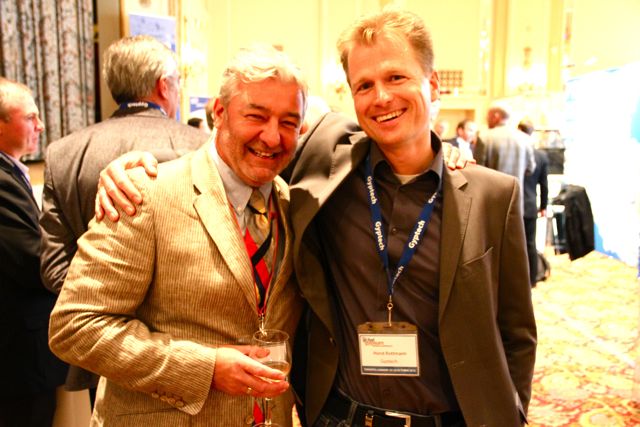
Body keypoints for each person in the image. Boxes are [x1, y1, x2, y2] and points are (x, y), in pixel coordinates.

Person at [95, 10, 535, 426]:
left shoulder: (491, 196)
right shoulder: (327, 162)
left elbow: (516, 333)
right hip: (340, 416)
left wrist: (510, 411)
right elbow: (242, 151)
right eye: (364, 85)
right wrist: (135, 167)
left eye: (396, 77)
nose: (381, 97)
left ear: (433, 84)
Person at [48, 44, 306, 426]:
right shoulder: (143, 193)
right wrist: (205, 368)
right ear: (220, 113)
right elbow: (75, 326)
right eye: (256, 116)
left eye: (289, 122)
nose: (272, 137)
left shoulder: (291, 203)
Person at [39, 35, 209, 400]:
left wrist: (107, 317)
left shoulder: (64, 153)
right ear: (164, 85)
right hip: (188, 352)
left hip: (100, 355)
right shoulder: (201, 149)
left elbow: (54, 268)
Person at [0, 77, 68, 426]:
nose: (40, 125)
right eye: (30, 117)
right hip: (17, 355)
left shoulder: (12, 172)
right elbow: (32, 260)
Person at [480, 106, 536, 209]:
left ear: (496, 116)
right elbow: (530, 168)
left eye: (487, 117)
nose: (486, 119)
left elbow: (477, 171)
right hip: (516, 201)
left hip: (490, 201)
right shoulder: (525, 139)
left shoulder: (484, 137)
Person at [518, 119, 549, 286]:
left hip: (514, 203)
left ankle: (518, 280)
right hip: (530, 204)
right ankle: (532, 280)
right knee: (530, 243)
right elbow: (544, 184)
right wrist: (543, 206)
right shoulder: (541, 156)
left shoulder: (516, 152)